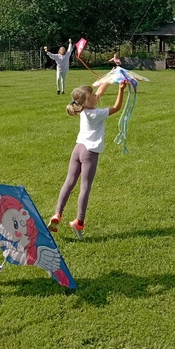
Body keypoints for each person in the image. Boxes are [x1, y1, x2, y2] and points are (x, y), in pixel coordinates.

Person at [47, 80, 127, 240]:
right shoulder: (96, 114)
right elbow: (117, 107)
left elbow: (99, 93)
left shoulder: (82, 109)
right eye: (93, 95)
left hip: (77, 149)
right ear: (88, 101)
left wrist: (109, 79)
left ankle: (57, 214)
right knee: (85, 187)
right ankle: (79, 222)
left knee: (69, 182)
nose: (97, 96)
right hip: (89, 153)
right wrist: (121, 89)